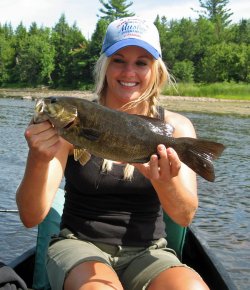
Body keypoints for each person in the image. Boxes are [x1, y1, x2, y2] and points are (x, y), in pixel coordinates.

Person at [16, 17, 209, 290]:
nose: (129, 71)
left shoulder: (175, 129)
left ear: (155, 70)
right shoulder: (71, 125)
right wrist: (38, 158)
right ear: (105, 65)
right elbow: (30, 216)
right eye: (119, 60)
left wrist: (163, 181)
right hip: (79, 246)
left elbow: (184, 216)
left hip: (149, 252)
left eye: (141, 62)